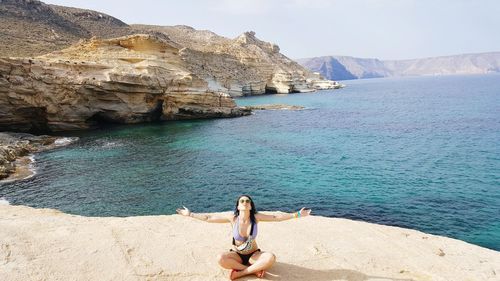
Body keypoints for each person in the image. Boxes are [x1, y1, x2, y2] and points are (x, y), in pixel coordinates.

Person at [176, 194, 311, 280]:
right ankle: (253, 270)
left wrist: (297, 214)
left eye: (248, 201)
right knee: (220, 259)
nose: (245, 202)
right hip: (237, 255)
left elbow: (276, 217)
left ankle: (241, 273)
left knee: (271, 257)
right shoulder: (232, 218)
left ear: (251, 206)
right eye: (242, 201)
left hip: (253, 255)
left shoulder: (256, 218)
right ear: (238, 206)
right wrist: (190, 214)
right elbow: (209, 217)